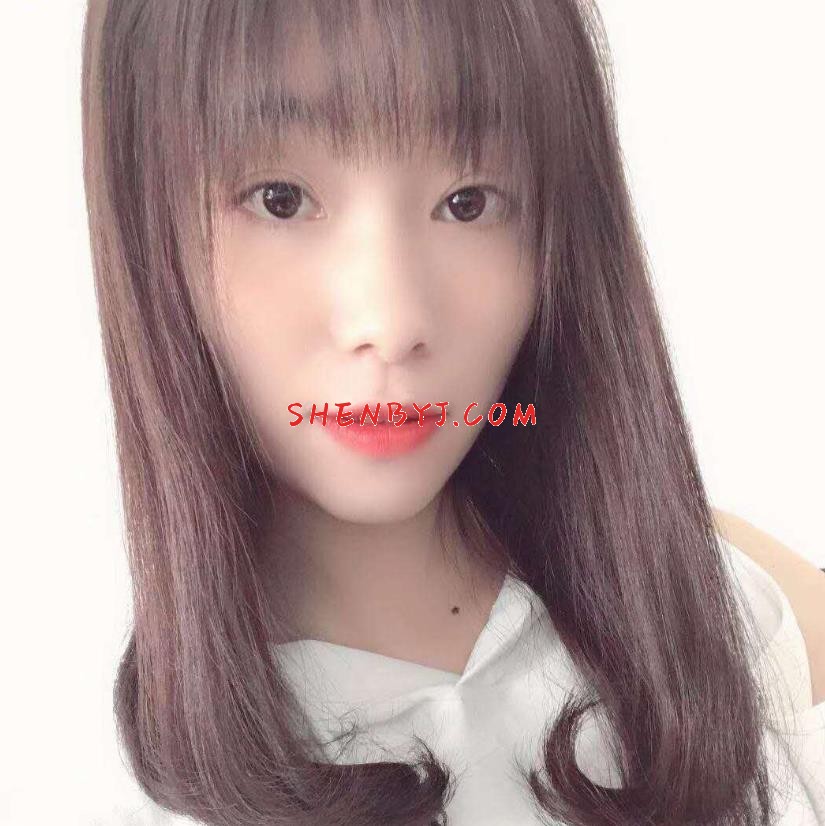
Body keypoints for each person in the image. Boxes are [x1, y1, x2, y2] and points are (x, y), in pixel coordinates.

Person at [79, 0, 825, 824]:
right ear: (144, 230)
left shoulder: (739, 611)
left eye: (468, 202)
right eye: (280, 199)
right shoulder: (95, 778)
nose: (391, 321)